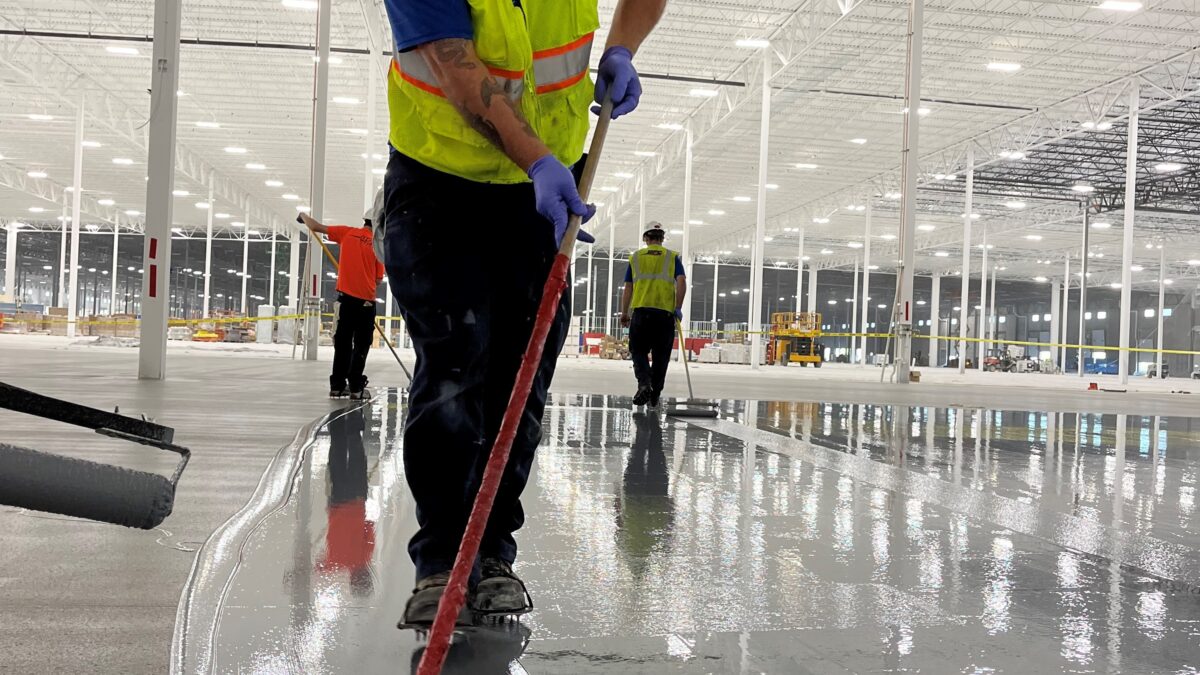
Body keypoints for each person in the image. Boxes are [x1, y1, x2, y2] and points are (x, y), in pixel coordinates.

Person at [380, 0, 669, 626]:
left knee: (522, 377)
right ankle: (441, 560)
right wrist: (537, 158)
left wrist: (622, 46)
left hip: (537, 193)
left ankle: (491, 553)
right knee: (455, 369)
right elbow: (454, 65)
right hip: (439, 178)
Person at [299, 210, 385, 400]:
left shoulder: (346, 233)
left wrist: (303, 215)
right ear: (379, 224)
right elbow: (378, 279)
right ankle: (355, 388)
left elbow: (314, 226)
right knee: (361, 345)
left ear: (365, 220)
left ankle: (337, 387)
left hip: (346, 301)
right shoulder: (378, 245)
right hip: (366, 304)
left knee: (343, 343)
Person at [619, 224, 686, 408]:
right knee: (661, 357)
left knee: (638, 351)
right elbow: (681, 282)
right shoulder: (672, 257)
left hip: (641, 314)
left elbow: (628, 288)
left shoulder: (635, 258)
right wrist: (678, 307)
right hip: (664, 316)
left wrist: (625, 313)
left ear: (645, 239)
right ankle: (655, 392)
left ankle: (644, 383)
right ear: (662, 238)